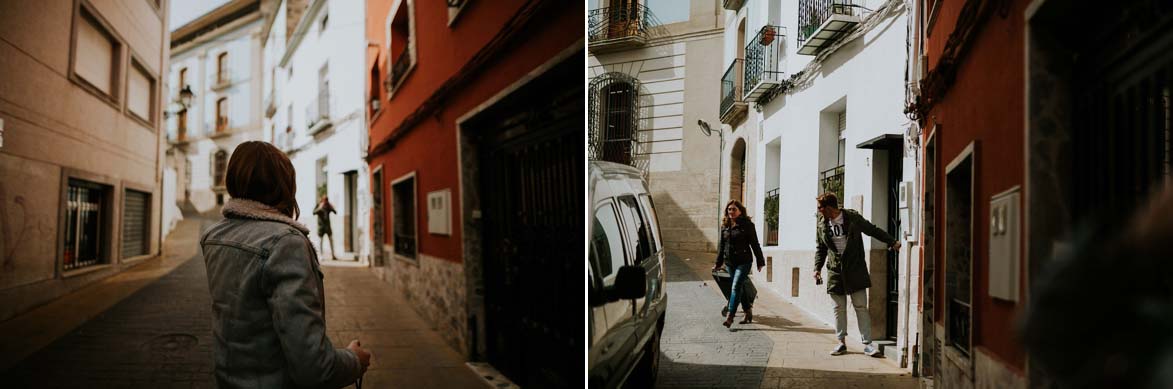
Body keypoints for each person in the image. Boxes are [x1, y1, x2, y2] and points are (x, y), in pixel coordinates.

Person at [200, 141, 370, 388]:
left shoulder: (214, 238)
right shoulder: (285, 244)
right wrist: (354, 360)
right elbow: (314, 367)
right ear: (284, 184)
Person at [812, 192, 899, 357]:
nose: (819, 211)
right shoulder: (822, 223)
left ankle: (867, 344)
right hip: (835, 271)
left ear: (829, 207)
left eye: (820, 208)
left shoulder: (852, 218)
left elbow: (872, 230)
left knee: (861, 307)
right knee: (838, 308)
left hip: (855, 269)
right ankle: (841, 343)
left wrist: (892, 241)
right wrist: (817, 268)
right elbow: (821, 248)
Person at [711, 200, 766, 328]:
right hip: (730, 263)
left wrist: (760, 260)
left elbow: (755, 243)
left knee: (735, 286)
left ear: (740, 211)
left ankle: (730, 316)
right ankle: (748, 311)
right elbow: (722, 246)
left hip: (744, 261)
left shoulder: (747, 225)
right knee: (739, 287)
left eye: (734, 209)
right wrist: (718, 263)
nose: (731, 211)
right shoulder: (725, 226)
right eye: (729, 209)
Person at [313, 195, 337, 260]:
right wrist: (320, 208)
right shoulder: (319, 205)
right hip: (321, 227)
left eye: (327, 200)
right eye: (325, 200)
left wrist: (332, 207)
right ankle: (320, 256)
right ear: (322, 200)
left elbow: (335, 212)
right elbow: (314, 212)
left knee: (331, 240)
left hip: (327, 227)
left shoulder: (328, 206)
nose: (325, 202)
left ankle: (333, 255)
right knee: (320, 242)